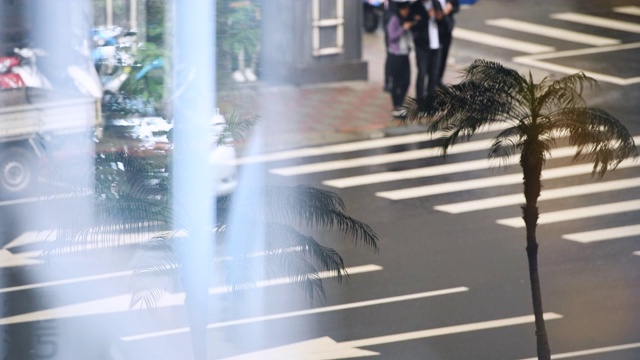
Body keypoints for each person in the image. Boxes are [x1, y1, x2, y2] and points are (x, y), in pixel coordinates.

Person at [409, 0, 443, 98]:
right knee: (422, 73)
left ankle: (430, 100)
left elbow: (442, 21)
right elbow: (414, 26)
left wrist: (439, 18)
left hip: (436, 44)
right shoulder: (415, 6)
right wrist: (427, 16)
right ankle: (420, 100)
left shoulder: (436, 3)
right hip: (422, 46)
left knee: (434, 75)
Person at [386, 1, 414, 117]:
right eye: (404, 9)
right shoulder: (394, 20)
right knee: (396, 82)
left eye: (407, 9)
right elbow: (392, 37)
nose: (406, 12)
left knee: (406, 81)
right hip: (395, 55)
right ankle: (396, 106)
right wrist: (403, 28)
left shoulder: (407, 20)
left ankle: (401, 104)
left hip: (405, 54)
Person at [435, 0, 459, 87]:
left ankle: (439, 78)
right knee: (434, 56)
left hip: (446, 29)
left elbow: (456, 7)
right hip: (435, 30)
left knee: (444, 55)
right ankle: (433, 78)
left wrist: (451, 8)